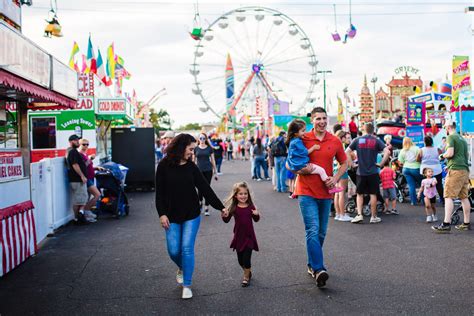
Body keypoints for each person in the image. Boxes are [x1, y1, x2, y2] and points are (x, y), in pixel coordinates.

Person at [155, 133, 226, 299]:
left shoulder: (191, 167)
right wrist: (162, 214)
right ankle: (182, 267)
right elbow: (160, 193)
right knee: (173, 250)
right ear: (181, 147)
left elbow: (205, 189)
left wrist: (220, 207)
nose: (192, 153)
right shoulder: (163, 166)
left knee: (187, 248)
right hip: (171, 215)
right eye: (191, 149)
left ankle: (187, 284)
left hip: (191, 214)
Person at [291, 107, 348, 288]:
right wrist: (299, 169)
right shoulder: (303, 138)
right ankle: (318, 269)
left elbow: (345, 162)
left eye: (324, 118)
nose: (322, 122)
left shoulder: (335, 140)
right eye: (318, 119)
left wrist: (336, 178)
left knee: (321, 232)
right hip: (306, 191)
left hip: (325, 192)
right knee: (313, 229)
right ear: (312, 121)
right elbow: (289, 162)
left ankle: (311, 263)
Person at [346, 122, 390, 224]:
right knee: (373, 194)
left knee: (360, 194)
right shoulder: (376, 140)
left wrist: (352, 164)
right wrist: (381, 164)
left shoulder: (357, 140)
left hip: (360, 172)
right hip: (373, 172)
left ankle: (359, 215)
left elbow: (346, 152)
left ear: (363, 129)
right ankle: (373, 216)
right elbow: (387, 152)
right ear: (373, 130)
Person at [432, 121, 471, 233]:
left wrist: (441, 156)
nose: (445, 130)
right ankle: (466, 223)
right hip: (464, 170)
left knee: (448, 196)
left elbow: (450, 153)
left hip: (455, 170)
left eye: (445, 128)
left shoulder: (451, 137)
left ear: (449, 127)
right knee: (464, 197)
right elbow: (465, 155)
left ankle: (446, 224)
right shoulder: (462, 139)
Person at [286, 119, 343, 194]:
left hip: (298, 165)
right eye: (303, 131)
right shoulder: (297, 142)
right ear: (296, 133)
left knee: (299, 177)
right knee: (321, 171)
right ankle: (331, 187)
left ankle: (295, 192)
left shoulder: (292, 141)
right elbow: (304, 152)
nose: (305, 132)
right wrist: (313, 148)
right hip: (303, 165)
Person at [221, 182, 260, 287]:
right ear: (235, 195)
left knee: (247, 260)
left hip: (249, 237)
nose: (243, 196)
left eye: (245, 194)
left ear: (248, 194)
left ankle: (246, 277)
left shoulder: (251, 206)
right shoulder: (234, 208)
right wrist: (224, 215)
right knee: (240, 261)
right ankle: (248, 271)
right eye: (241, 194)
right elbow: (226, 220)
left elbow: (256, 220)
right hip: (239, 237)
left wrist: (257, 214)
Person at [66, 135, 90, 225]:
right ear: (71, 141)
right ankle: (77, 218)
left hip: (76, 179)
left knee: (82, 198)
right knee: (79, 200)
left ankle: (80, 215)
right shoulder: (72, 152)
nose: (78, 142)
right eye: (76, 140)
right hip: (77, 179)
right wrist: (82, 176)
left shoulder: (71, 151)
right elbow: (75, 165)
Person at [194, 133, 218, 216]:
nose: (202, 140)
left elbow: (213, 161)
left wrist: (216, 173)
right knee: (200, 188)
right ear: (198, 139)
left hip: (208, 170)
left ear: (206, 139)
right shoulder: (196, 149)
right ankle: (200, 203)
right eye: (200, 138)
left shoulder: (209, 148)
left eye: (204, 138)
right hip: (199, 171)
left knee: (207, 188)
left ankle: (207, 207)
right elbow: (194, 162)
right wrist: (192, 172)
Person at [78, 138, 101, 223]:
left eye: (87, 144)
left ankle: (84, 214)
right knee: (97, 194)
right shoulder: (80, 154)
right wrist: (90, 159)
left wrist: (96, 168)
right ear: (79, 145)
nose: (86, 146)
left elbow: (88, 166)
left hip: (90, 177)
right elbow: (83, 166)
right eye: (83, 144)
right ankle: (86, 211)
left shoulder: (84, 154)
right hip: (86, 178)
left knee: (87, 197)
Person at [418, 136, 444, 204]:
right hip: (437, 169)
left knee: (425, 185)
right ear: (432, 142)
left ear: (424, 142)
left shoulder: (421, 150)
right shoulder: (437, 149)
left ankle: (425, 200)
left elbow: (418, 159)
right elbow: (442, 157)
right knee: (439, 185)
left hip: (425, 170)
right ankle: (443, 200)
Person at [333, 130, 352, 221]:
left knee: (337, 193)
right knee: (341, 193)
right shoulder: (340, 146)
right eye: (346, 137)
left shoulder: (333, 145)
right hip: (341, 171)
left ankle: (338, 214)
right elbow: (342, 161)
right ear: (342, 137)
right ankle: (342, 214)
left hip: (334, 171)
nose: (348, 139)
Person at [398, 137, 422, 206]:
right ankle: (424, 201)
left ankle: (413, 202)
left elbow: (400, 162)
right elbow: (420, 158)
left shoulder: (402, 150)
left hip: (406, 169)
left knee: (411, 186)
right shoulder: (417, 148)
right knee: (422, 184)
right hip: (416, 168)